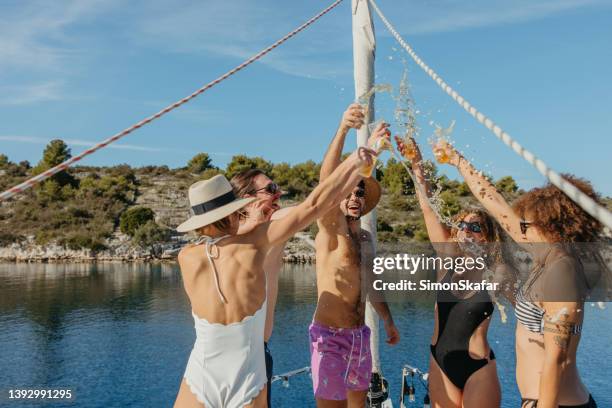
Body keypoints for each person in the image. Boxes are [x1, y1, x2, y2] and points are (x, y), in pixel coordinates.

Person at [173, 144, 378, 408]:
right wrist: (353, 162)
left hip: (201, 373)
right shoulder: (257, 243)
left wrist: (245, 224)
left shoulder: (186, 257)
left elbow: (219, 243)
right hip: (247, 372)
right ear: (238, 207)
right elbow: (313, 205)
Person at [432, 139, 600, 408]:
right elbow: (499, 209)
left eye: (526, 224)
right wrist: (459, 162)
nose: (518, 228)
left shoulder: (563, 271)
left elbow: (556, 359)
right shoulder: (546, 259)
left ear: (550, 226)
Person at [395, 136, 505, 408]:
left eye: (476, 227)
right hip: (439, 361)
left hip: (477, 367)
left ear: (488, 238)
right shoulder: (447, 259)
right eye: (462, 226)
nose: (467, 231)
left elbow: (503, 215)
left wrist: (459, 163)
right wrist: (416, 162)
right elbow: (428, 207)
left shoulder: (495, 272)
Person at [311, 104, 400, 408]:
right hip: (329, 338)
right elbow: (326, 182)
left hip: (360, 336)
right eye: (349, 192)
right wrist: (343, 129)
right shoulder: (330, 229)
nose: (355, 198)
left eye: (360, 192)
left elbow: (371, 283)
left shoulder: (365, 239)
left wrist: (387, 320)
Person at [230, 169, 293, 407]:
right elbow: (312, 206)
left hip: (258, 352)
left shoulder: (273, 225)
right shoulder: (230, 239)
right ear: (248, 199)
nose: (279, 193)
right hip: (236, 356)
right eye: (271, 189)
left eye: (276, 188)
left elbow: (310, 207)